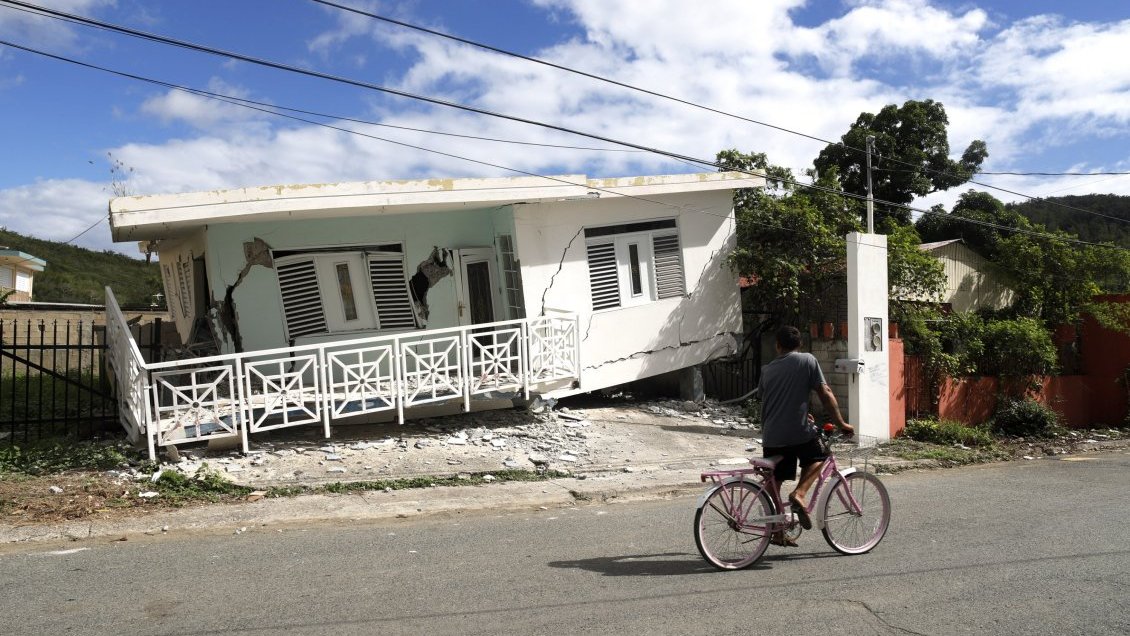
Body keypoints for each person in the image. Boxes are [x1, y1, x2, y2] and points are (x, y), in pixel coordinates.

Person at [758, 325, 854, 546]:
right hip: (797, 432)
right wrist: (841, 423)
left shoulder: (768, 369)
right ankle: (800, 494)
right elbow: (825, 392)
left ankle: (777, 531)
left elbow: (772, 399)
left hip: (771, 434)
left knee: (776, 481)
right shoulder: (808, 360)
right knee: (822, 456)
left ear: (777, 346)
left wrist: (801, 412)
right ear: (800, 344)